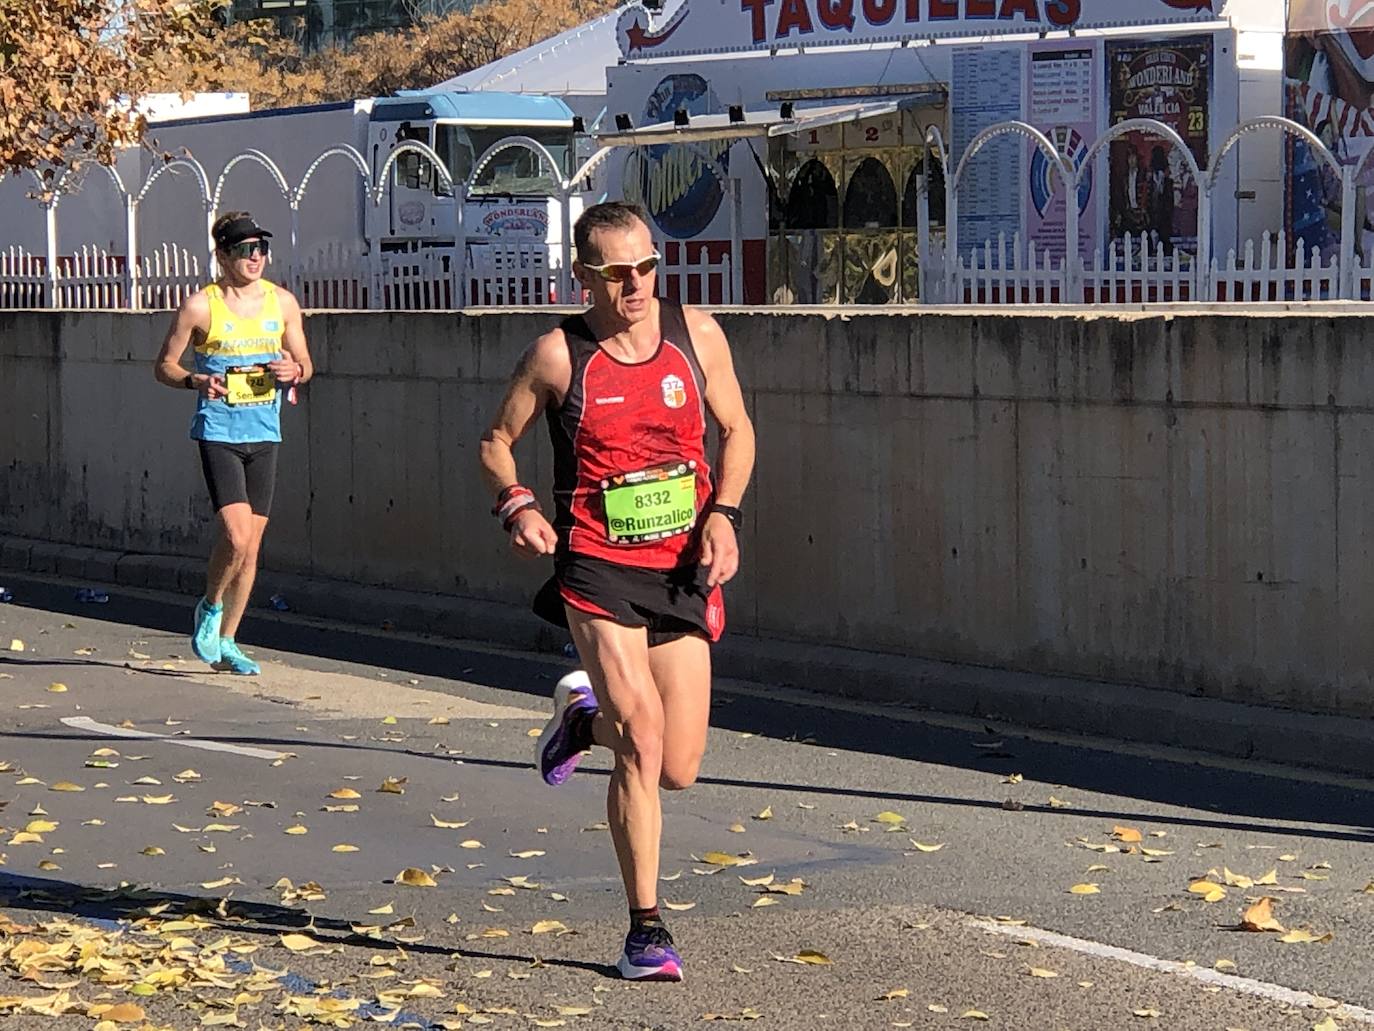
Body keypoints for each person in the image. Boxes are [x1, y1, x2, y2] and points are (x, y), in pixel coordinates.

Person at [478, 201, 755, 982]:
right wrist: (519, 504)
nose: (635, 285)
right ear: (584, 277)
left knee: (680, 764)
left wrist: (725, 516)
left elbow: (738, 431)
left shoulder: (696, 338)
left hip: (681, 568)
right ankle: (645, 928)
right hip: (597, 566)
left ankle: (579, 716)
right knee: (642, 736)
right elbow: (497, 442)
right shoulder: (558, 357)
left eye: (645, 268)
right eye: (615, 273)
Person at [153, 212, 312, 675]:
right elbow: (164, 366)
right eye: (243, 249)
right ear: (222, 256)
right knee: (235, 536)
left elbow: (305, 362)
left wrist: (294, 371)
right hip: (219, 432)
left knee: (253, 547)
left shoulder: (282, 303)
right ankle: (209, 605)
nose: (255, 257)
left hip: (265, 433)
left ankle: (229, 642)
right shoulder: (200, 306)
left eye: (260, 247)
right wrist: (194, 380)